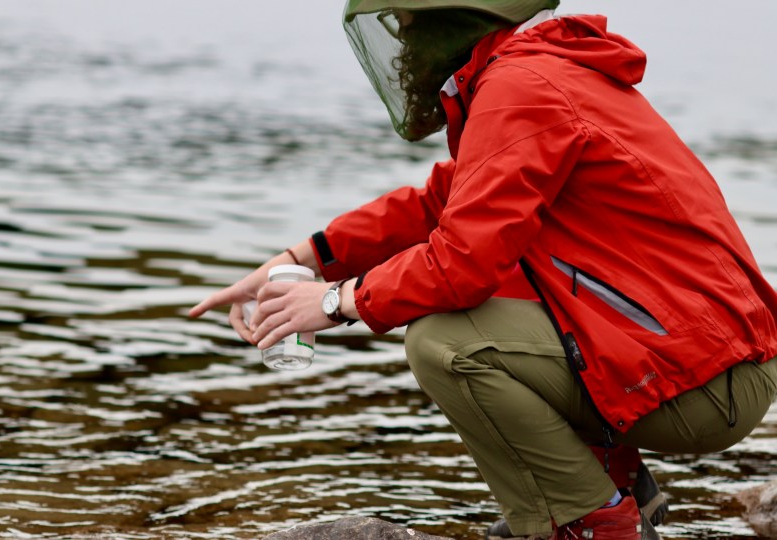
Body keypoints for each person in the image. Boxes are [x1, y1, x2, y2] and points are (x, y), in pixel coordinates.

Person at [189, 1, 777, 538]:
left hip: (705, 384)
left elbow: (459, 262)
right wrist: (300, 259)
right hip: (711, 362)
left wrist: (332, 301)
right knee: (507, 292)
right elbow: (437, 203)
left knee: (446, 343)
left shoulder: (521, 87)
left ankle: (589, 523)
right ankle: (619, 491)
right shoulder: (537, 73)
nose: (404, 42)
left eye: (410, 23)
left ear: (456, 17)